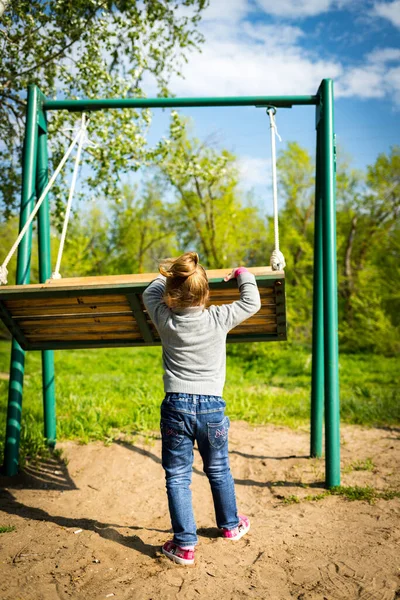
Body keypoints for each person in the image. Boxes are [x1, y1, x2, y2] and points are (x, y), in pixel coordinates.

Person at [142, 252, 261, 566]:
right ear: (206, 295)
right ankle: (231, 525)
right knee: (219, 468)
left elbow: (149, 292)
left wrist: (167, 279)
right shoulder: (218, 317)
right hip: (212, 408)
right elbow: (252, 303)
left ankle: (184, 545)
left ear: (169, 293)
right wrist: (242, 272)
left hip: (176, 406)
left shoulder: (163, 316)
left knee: (178, 476)